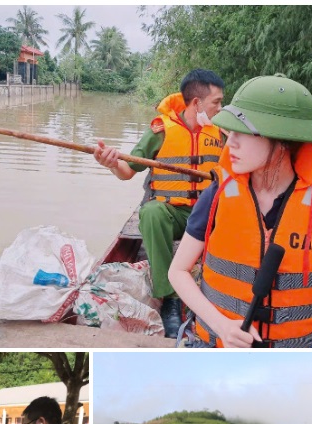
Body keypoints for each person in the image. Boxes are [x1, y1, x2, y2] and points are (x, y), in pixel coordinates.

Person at [168, 74, 312, 348]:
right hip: (221, 348)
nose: (231, 145)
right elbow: (178, 272)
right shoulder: (216, 196)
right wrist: (222, 326)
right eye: (231, 133)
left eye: (243, 133)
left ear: (282, 142)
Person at [93, 69, 225, 337]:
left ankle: (223, 287)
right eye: (216, 102)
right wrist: (110, 163)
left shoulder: (222, 132)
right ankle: (170, 298)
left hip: (209, 214)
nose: (220, 108)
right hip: (174, 214)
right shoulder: (160, 130)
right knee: (151, 212)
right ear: (197, 103)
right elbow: (127, 171)